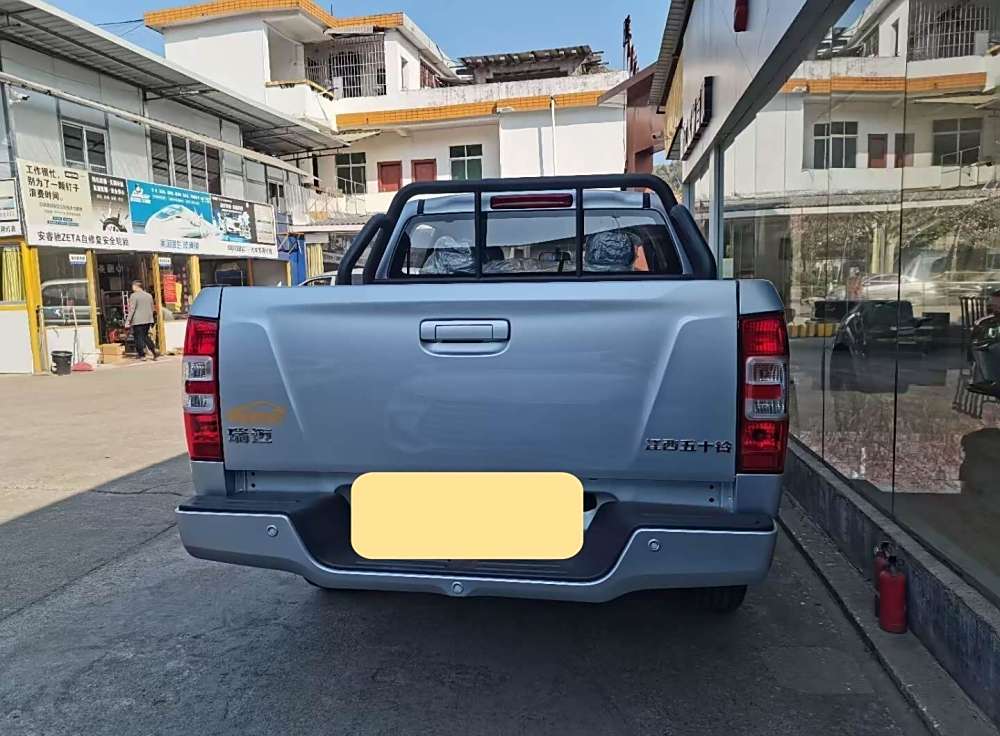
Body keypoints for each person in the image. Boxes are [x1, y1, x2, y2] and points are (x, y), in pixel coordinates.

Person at [124, 280, 158, 361]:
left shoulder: (134, 296)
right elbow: (152, 308)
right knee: (145, 336)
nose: (132, 288)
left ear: (136, 286)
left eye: (133, 286)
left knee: (138, 337)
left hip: (137, 320)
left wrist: (128, 321)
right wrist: (151, 319)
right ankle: (154, 351)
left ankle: (142, 355)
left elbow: (132, 309)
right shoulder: (149, 295)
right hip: (148, 320)